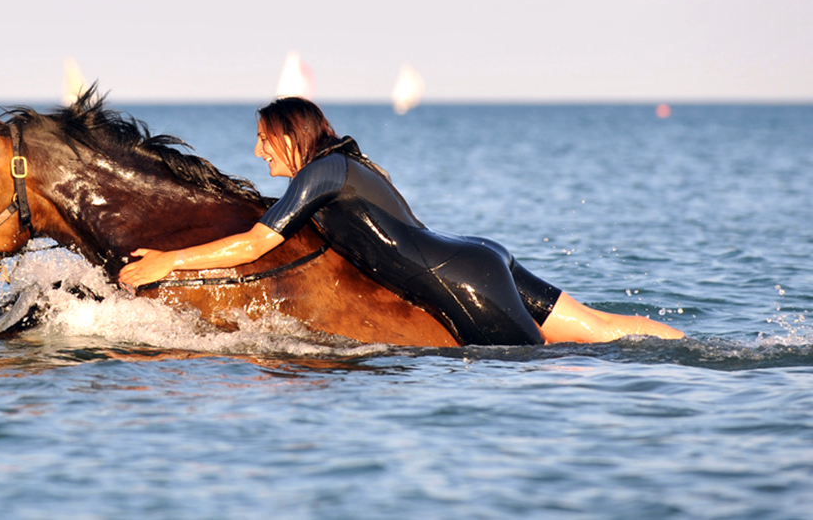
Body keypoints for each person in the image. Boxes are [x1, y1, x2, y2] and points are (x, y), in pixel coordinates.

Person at [119, 97, 684, 345]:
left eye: (265, 142)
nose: (261, 155)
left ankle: (703, 363)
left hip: (463, 282)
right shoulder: (351, 167)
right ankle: (699, 349)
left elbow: (253, 243)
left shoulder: (319, 174)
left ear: (291, 136)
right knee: (601, 330)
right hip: (478, 259)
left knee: (540, 370)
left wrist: (166, 262)